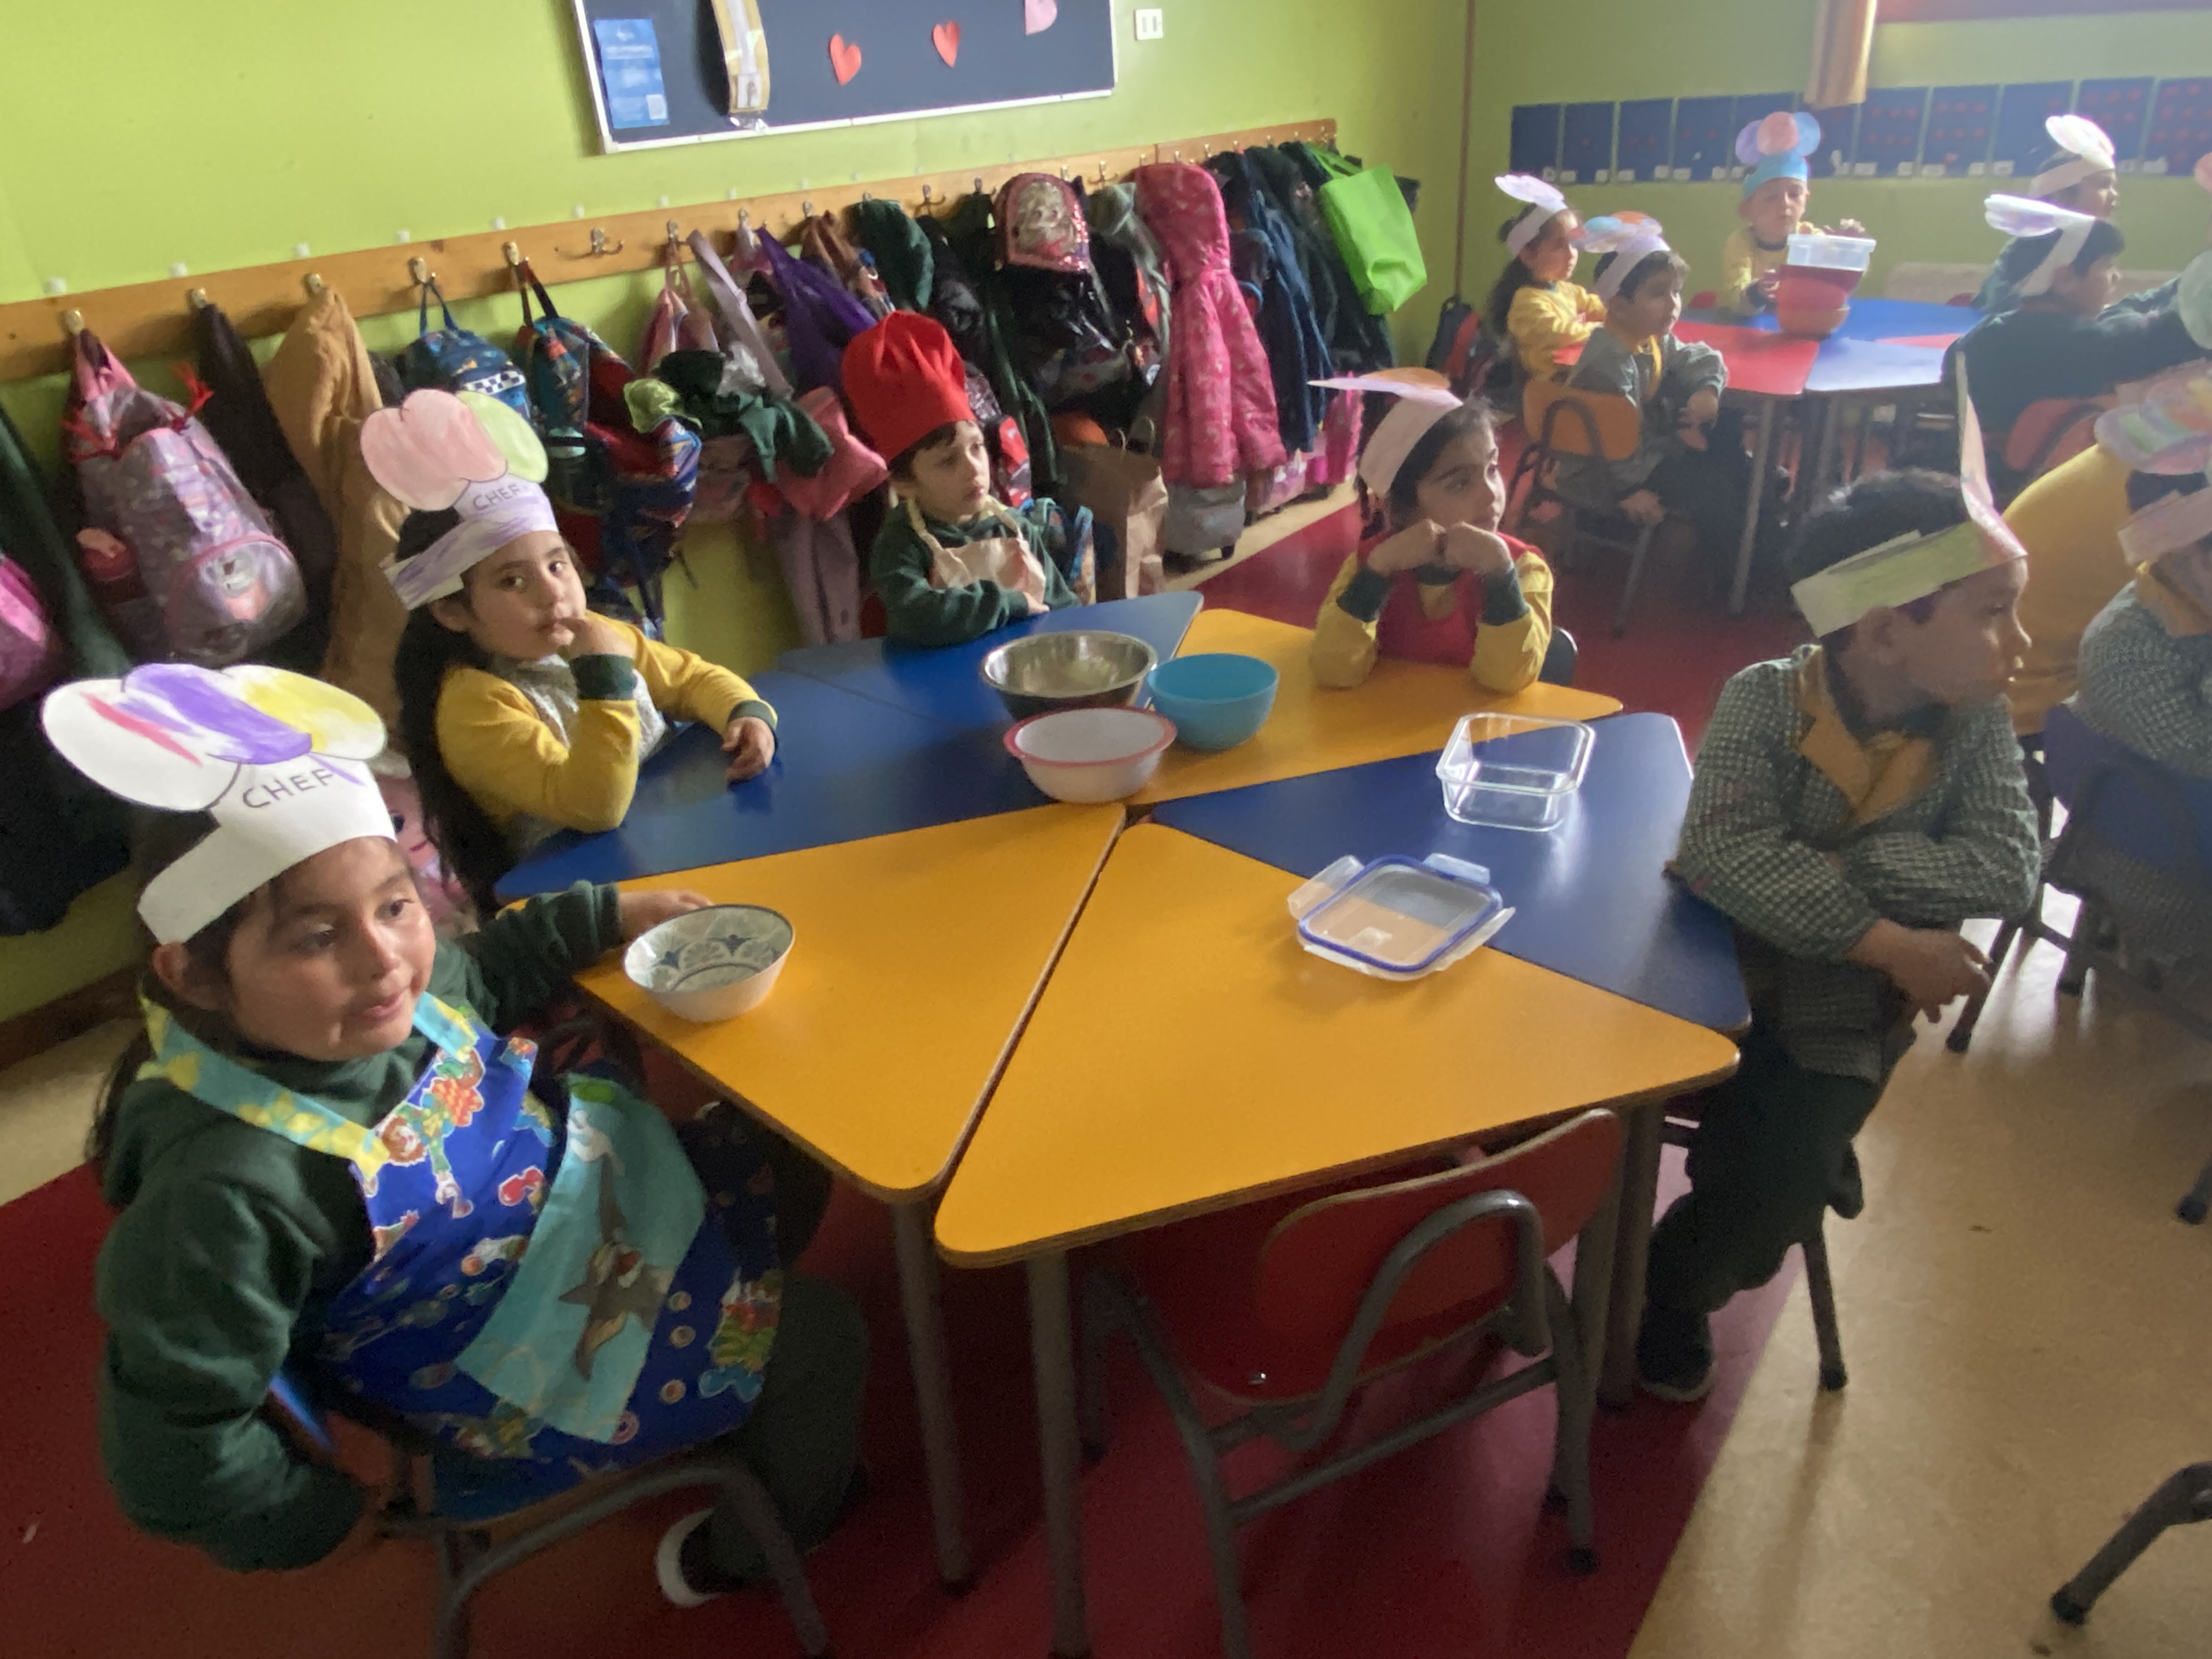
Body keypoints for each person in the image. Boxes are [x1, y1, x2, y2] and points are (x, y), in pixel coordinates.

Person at [48, 663, 864, 1605]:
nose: (384, 958)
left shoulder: (383, 997)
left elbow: (485, 967)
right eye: (317, 937)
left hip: (572, 1221)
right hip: (507, 1361)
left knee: (795, 1147)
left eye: (395, 905)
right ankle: (756, 1543)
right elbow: (172, 1446)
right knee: (823, 1339)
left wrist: (608, 913)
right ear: (190, 973)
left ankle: (724, 1361)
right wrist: (310, 1517)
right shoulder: (220, 1195)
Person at [1639, 434, 2040, 1401]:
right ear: (1885, 629)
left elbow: (2006, 867)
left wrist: (1821, 864)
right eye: (1994, 613)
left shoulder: (1975, 721)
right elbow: (1724, 852)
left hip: (1836, 1016)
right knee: (1587, 1092)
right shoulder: (1766, 699)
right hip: (1706, 971)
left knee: (1766, 1193)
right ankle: (1801, 1160)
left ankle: (1670, 1286)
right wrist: (1893, 940)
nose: (2021, 644)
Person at [377, 391, 777, 915]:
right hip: (593, 899)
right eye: (513, 581)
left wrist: (745, 712)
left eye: (557, 565)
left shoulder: (591, 635)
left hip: (668, 843)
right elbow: (595, 808)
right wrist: (604, 678)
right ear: (453, 612)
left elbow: (689, 678)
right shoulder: (474, 705)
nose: (551, 594)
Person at [1307, 369, 1554, 691]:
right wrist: (1375, 575)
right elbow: (1333, 670)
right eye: (1460, 483)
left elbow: (1509, 679)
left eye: (1492, 470)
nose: (1491, 494)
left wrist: (1500, 576)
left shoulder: (1522, 568)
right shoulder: (1368, 564)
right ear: (1401, 508)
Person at [842, 312, 1077, 646]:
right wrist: (1006, 604)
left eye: (977, 447)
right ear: (905, 484)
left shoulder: (1016, 529)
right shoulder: (902, 544)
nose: (973, 468)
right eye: (948, 461)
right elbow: (916, 614)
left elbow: (1066, 611)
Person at [1946, 198, 2212, 492]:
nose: (2116, 276)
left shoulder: (1977, 341)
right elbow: (2179, 326)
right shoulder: (2093, 345)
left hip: (1987, 484)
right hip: (2054, 492)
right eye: (2106, 265)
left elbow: (2129, 312)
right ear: (2065, 279)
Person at [1560, 216, 1749, 568]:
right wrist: (1627, 492)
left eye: (1676, 291)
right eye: (1659, 293)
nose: (1674, 303)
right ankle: (1735, 571)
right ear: (1619, 306)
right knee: (1717, 489)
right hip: (1605, 475)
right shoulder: (1608, 367)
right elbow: (1611, 448)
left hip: (1639, 455)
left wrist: (1708, 389)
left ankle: (1752, 531)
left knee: (1729, 444)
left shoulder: (1649, 339)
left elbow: (1699, 356)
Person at [1717, 112, 1865, 319]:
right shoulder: (1741, 243)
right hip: (1743, 329)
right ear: (1746, 210)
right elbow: (1737, 298)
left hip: (1799, 326)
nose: (1785, 203)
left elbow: (1839, 284)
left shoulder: (1811, 237)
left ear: (1806, 200)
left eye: (1795, 194)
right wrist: (1759, 292)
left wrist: (1850, 251)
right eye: (1771, 197)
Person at [1976, 115, 2121, 314]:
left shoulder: (2094, 247)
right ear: (2062, 196)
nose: (2114, 195)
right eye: (2103, 185)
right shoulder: (2030, 250)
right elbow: (1999, 305)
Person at [1484, 174, 1604, 382]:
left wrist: (1622, 316)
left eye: (1574, 244)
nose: (1572, 254)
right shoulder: (1526, 302)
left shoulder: (1568, 290)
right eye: (1559, 246)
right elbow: (1562, 334)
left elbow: (1598, 308)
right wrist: (1609, 330)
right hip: (1549, 391)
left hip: (1573, 381)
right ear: (1528, 255)